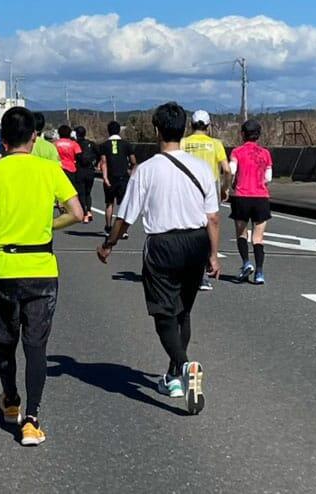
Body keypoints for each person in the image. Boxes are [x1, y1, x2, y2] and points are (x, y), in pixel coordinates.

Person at [0, 106, 84, 446]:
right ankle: (31, 420)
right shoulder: (50, 170)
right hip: (41, 268)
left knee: (6, 339)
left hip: (3, 267)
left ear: (2, 140)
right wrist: (47, 226)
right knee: (36, 346)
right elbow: (76, 212)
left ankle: (10, 399)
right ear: (34, 137)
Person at [97, 102, 220, 415]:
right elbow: (214, 219)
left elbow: (126, 216)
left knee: (163, 314)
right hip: (197, 242)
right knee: (184, 312)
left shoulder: (147, 170)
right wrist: (214, 255)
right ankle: (172, 377)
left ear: (156, 130)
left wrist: (109, 244)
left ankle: (184, 366)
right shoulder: (202, 168)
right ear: (183, 129)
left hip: (162, 245)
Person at [179, 110, 231, 291]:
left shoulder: (183, 142)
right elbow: (227, 169)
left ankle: (184, 272)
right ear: (208, 126)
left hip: (186, 191)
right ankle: (203, 274)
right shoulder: (216, 144)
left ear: (191, 125)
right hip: (209, 191)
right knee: (208, 230)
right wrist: (225, 189)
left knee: (186, 230)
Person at [229, 119, 274, 284]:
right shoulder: (265, 154)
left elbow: (232, 171)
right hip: (261, 197)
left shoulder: (237, 152)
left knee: (242, 234)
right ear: (258, 135)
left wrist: (228, 186)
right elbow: (268, 177)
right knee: (258, 238)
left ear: (242, 134)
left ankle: (246, 263)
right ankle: (260, 272)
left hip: (241, 196)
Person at [99, 121, 137, 237]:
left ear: (108, 131)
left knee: (109, 203)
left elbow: (103, 162)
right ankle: (122, 230)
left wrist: (105, 177)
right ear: (119, 130)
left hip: (110, 177)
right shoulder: (126, 144)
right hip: (123, 178)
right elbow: (134, 162)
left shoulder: (104, 145)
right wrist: (132, 174)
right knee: (124, 205)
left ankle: (108, 228)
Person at [73, 126, 98, 223]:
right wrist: (95, 163)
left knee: (81, 193)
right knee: (88, 192)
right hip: (90, 171)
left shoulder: (75, 144)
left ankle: (85, 213)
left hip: (79, 171)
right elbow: (99, 153)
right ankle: (89, 210)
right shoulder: (91, 144)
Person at [53, 124, 83, 198]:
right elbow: (79, 156)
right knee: (70, 192)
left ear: (59, 134)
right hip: (71, 169)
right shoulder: (74, 144)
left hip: (59, 168)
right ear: (69, 133)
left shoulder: (54, 144)